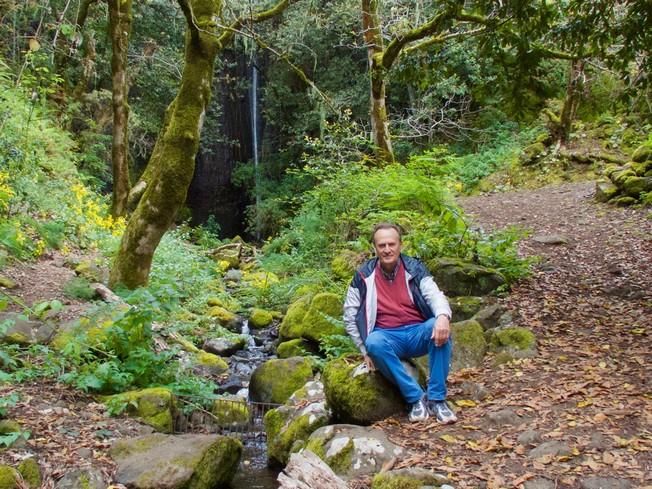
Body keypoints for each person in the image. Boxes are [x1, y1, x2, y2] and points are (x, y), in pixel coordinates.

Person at [343, 222, 457, 423]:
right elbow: (349, 315)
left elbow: (435, 295)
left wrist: (442, 317)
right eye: (382, 245)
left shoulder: (415, 268)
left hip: (416, 333)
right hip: (388, 337)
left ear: (400, 245)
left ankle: (437, 399)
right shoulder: (363, 275)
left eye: (391, 244)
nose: (387, 250)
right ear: (375, 248)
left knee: (438, 327)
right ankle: (416, 398)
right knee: (374, 342)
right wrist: (363, 350)